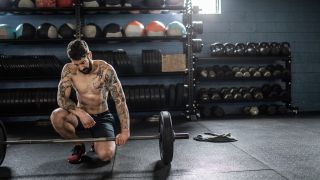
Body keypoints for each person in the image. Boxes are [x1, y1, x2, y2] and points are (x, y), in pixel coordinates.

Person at [50, 39, 130, 164]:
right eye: (76, 64)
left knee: (106, 155)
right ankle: (79, 145)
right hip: (80, 116)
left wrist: (125, 131)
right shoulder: (69, 70)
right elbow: (61, 98)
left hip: (102, 116)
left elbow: (120, 100)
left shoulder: (106, 70)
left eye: (83, 62)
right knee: (56, 115)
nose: (80, 67)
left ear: (89, 55)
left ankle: (98, 142)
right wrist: (81, 113)